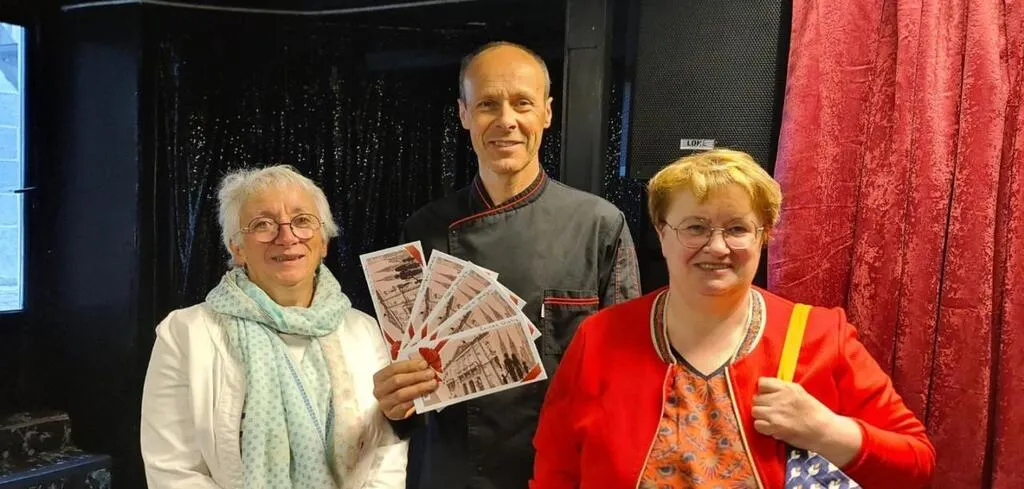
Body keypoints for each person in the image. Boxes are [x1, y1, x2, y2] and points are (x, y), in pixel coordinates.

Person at [530, 149, 936, 489]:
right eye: (695, 227)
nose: (717, 247)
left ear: (764, 236)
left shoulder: (820, 336)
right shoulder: (601, 337)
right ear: (661, 233)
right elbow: (555, 469)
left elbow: (916, 463)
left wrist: (826, 431)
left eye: (738, 228)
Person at [371, 41, 642, 489]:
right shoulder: (423, 228)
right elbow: (406, 387)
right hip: (455, 471)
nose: (506, 120)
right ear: (463, 114)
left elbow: (627, 377)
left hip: (562, 471)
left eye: (522, 103)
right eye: (487, 105)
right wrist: (396, 399)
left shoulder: (600, 225)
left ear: (547, 113)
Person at [141, 165, 407, 489]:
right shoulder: (185, 334)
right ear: (237, 248)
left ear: (323, 242)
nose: (287, 237)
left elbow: (386, 452)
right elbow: (172, 470)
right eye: (263, 224)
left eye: (302, 221)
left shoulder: (364, 331)